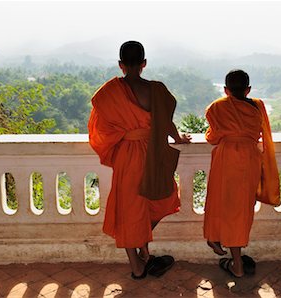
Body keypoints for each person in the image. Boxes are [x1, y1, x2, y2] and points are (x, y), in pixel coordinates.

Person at [88, 41, 191, 279]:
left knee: (129, 210)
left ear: (121, 64)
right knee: (160, 201)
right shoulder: (156, 89)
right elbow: (166, 122)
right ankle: (141, 255)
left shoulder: (109, 93)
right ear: (144, 64)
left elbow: (101, 129)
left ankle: (139, 258)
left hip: (127, 155)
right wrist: (178, 138)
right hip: (153, 152)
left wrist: (122, 136)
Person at [203, 69, 280, 278]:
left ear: (225, 90)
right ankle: (226, 249)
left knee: (221, 202)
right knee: (240, 210)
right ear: (248, 89)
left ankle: (231, 257)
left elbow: (212, 137)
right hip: (249, 160)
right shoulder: (258, 106)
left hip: (226, 159)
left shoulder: (217, 107)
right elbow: (261, 133)